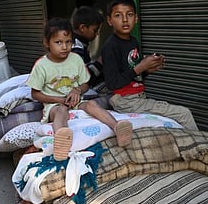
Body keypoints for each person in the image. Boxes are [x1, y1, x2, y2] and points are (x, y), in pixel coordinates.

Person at [26, 18, 133, 161]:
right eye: (58, 42)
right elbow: (35, 94)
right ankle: (61, 139)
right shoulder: (41, 65)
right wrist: (59, 100)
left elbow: (85, 84)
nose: (64, 47)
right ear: (47, 43)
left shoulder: (76, 59)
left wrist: (77, 90)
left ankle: (117, 127)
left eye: (68, 42)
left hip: (76, 101)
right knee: (61, 110)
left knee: (91, 105)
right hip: (54, 105)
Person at [101, 0, 198, 130]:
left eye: (129, 14)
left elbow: (134, 75)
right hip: (125, 101)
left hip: (139, 98)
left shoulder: (134, 41)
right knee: (184, 114)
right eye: (118, 15)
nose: (124, 19)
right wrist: (140, 67)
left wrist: (148, 69)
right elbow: (113, 83)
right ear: (109, 20)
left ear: (136, 18)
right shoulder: (110, 46)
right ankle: (201, 150)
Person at [71, 6, 106, 92]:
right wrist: (99, 63)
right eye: (95, 30)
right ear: (82, 28)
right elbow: (84, 77)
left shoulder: (81, 44)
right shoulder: (75, 47)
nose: (97, 34)